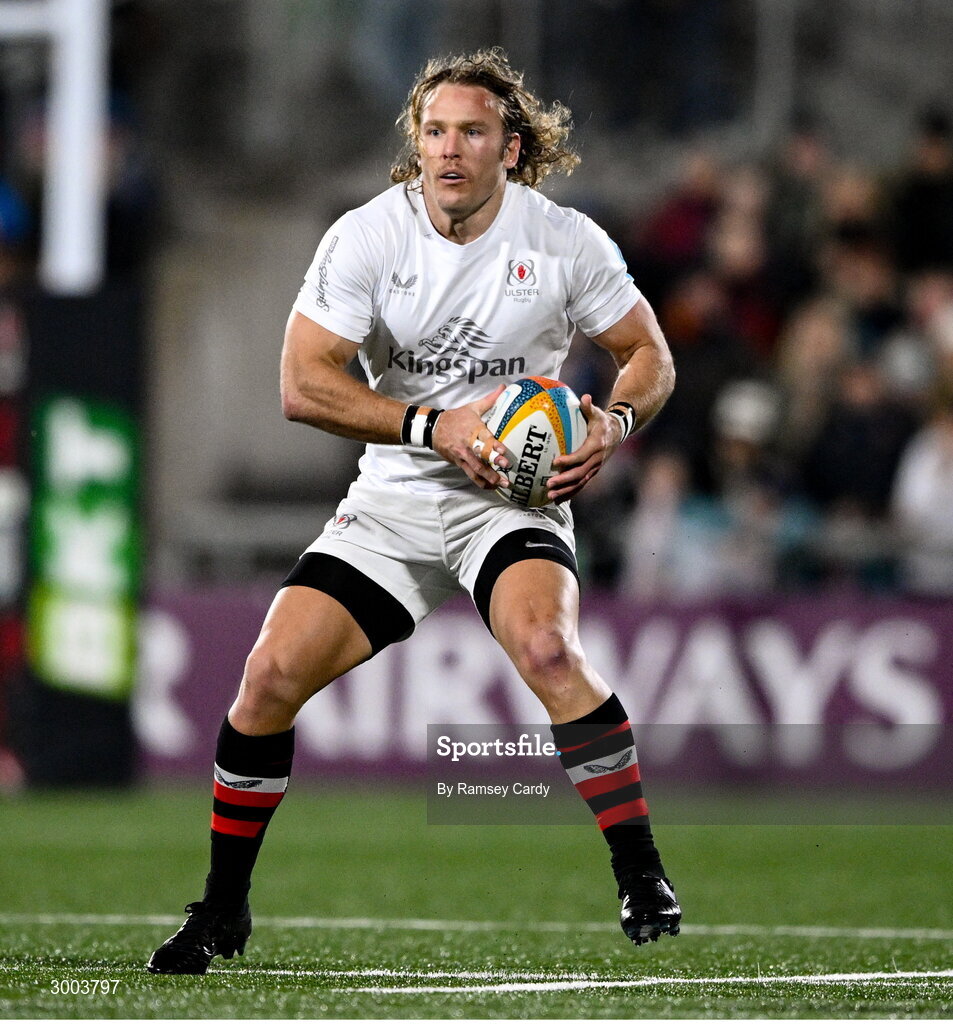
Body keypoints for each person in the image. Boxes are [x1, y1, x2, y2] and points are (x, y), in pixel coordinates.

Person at [147, 47, 678, 975]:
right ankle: (223, 908)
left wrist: (614, 422)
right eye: (434, 131)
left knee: (549, 652)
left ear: (510, 149)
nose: (448, 150)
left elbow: (649, 354)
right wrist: (431, 427)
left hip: (507, 499)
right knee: (266, 681)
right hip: (398, 491)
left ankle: (639, 871)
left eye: (471, 132)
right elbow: (302, 385)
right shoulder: (367, 236)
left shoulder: (563, 241)